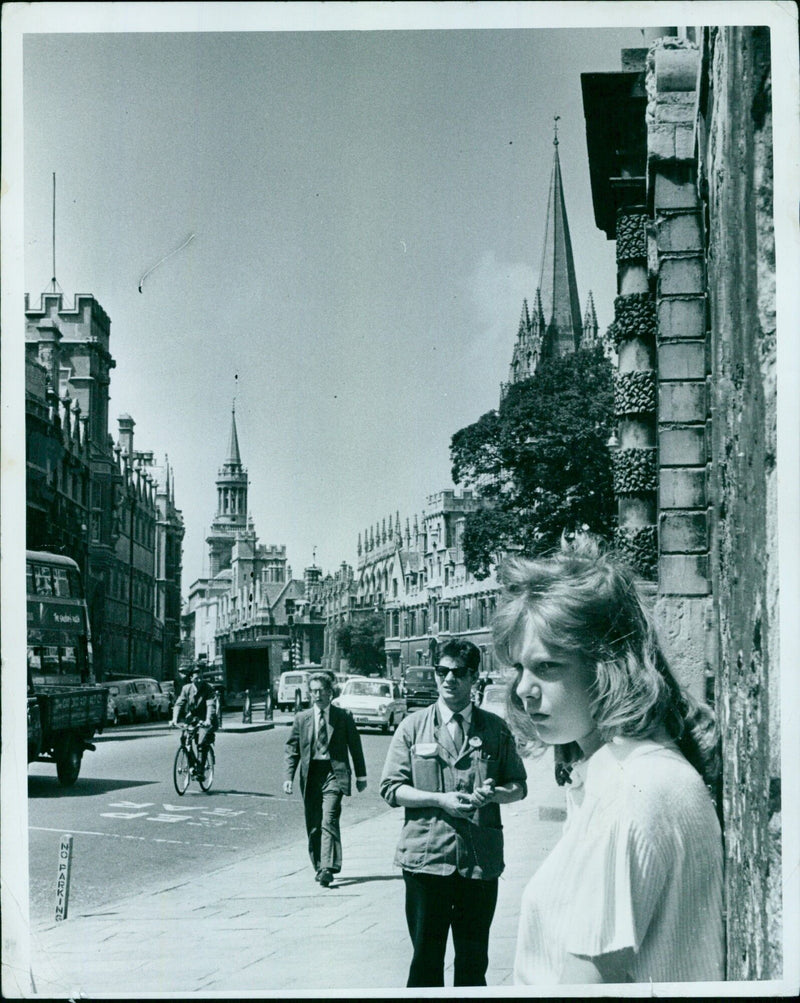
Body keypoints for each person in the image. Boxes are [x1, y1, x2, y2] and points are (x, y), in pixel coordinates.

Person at [494, 534, 724, 985]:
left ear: (607, 667)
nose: (523, 689)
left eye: (548, 667)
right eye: (519, 668)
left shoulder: (628, 792)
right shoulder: (625, 775)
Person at [380, 638, 527, 988]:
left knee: (473, 964)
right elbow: (391, 789)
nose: (448, 679)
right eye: (441, 671)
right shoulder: (412, 727)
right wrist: (438, 800)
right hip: (427, 860)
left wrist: (493, 795)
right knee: (425, 963)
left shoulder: (495, 729)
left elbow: (519, 786)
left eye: (458, 673)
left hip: (479, 861)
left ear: (473, 677)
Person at [283, 671, 367, 887]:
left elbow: (355, 746)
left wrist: (361, 775)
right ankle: (320, 865)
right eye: (314, 691)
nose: (317, 695)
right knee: (313, 823)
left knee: (328, 818)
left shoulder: (343, 716)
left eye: (322, 691)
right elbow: (292, 749)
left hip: (334, 773)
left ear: (331, 693)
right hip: (311, 774)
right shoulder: (302, 719)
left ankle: (327, 868)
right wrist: (288, 777)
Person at [170, 664, 218, 777]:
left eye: (201, 677)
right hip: (193, 719)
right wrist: (174, 719)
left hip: (207, 720)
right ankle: (191, 765)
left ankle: (200, 770)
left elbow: (210, 705)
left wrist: (207, 720)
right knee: (184, 739)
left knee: (201, 741)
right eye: (196, 678)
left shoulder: (208, 688)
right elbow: (179, 704)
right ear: (191, 678)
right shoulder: (186, 689)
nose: (200, 680)